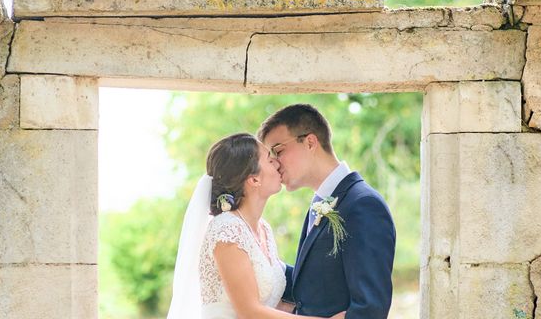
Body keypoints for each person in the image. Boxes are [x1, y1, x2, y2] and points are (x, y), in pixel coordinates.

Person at [167, 132, 346, 319]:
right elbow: (250, 312)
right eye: (270, 160)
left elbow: (272, 305)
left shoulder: (264, 229)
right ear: (254, 180)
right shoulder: (226, 230)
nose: (278, 163)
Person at [258, 104, 396, 319]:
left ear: (310, 142)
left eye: (278, 150)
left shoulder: (363, 204)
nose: (274, 164)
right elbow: (316, 285)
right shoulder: (321, 201)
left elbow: (370, 309)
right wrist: (256, 260)